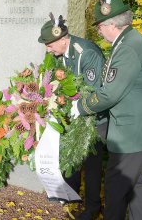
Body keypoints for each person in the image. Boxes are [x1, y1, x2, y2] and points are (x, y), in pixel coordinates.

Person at [73, 0, 142, 220]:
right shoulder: (128, 40)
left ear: (111, 25)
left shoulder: (127, 49)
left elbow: (110, 94)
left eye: (99, 26)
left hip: (134, 135)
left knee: (116, 189)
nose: (98, 30)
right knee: (135, 185)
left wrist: (80, 106)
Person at [38, 13, 108, 220]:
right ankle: (71, 197)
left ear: (62, 39)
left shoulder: (86, 52)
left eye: (50, 45)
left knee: (91, 165)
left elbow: (94, 89)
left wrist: (75, 105)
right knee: (71, 159)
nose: (48, 49)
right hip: (72, 115)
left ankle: (93, 207)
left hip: (93, 117)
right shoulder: (59, 55)